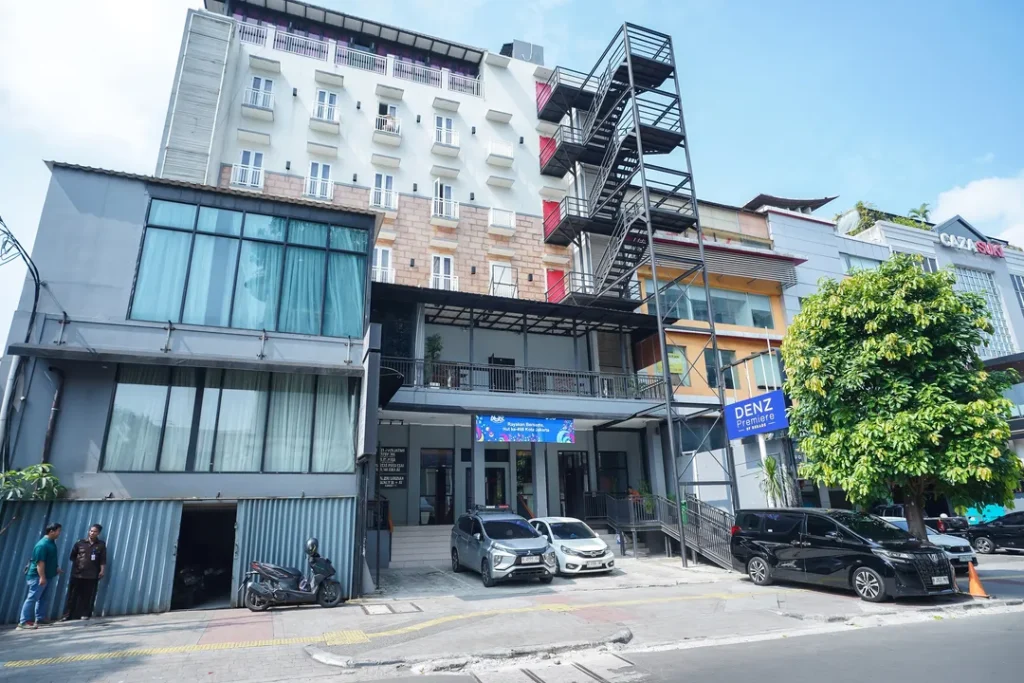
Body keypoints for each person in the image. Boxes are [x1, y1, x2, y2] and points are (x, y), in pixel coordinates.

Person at [18, 523, 63, 630]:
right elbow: (40, 563)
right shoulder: (42, 545)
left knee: (43, 598)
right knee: (32, 598)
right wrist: (42, 577)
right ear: (51, 531)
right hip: (37, 576)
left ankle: (40, 618)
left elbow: (50, 558)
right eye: (58, 531)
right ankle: (23, 622)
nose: (59, 533)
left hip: (48, 575)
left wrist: (56, 568)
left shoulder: (51, 543)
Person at [62, 523, 107, 621]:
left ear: (98, 533)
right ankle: (68, 614)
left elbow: (103, 559)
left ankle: (85, 614)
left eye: (95, 531)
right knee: (72, 595)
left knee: (88, 595)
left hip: (91, 575)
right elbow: (72, 556)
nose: (92, 533)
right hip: (77, 574)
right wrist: (78, 565)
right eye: (91, 531)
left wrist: (102, 570)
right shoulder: (80, 543)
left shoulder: (101, 545)